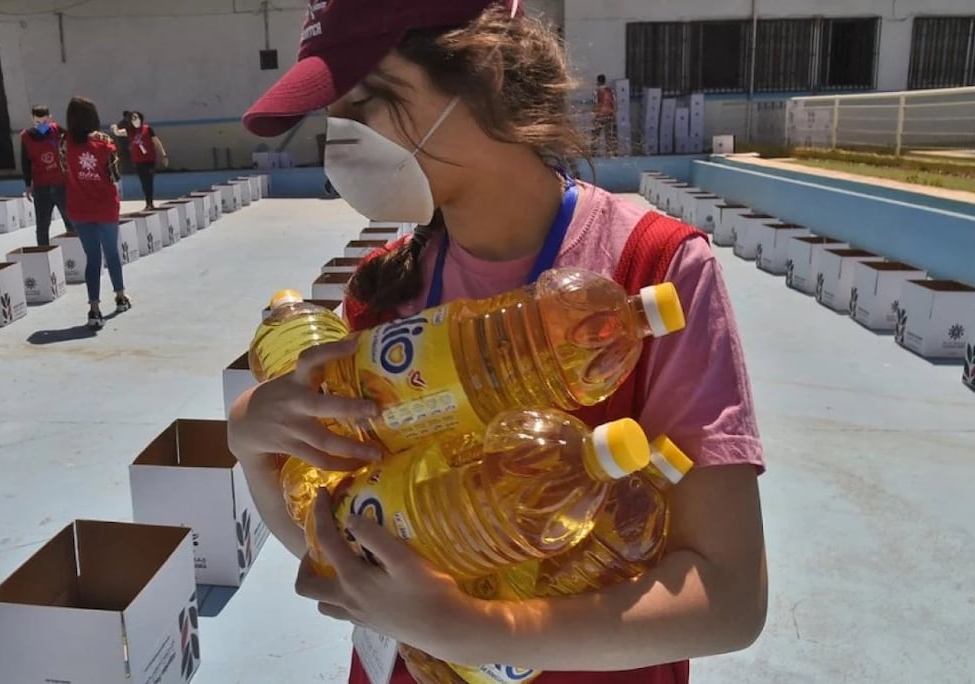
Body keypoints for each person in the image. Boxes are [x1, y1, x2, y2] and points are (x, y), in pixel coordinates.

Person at [231, 2, 767, 684]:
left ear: (481, 69)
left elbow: (729, 599)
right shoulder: (380, 293)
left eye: (365, 103)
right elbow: (344, 540)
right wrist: (252, 445)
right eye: (332, 118)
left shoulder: (650, 272)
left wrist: (485, 632)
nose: (340, 143)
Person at [62, 96, 131, 330]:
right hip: (105, 208)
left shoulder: (65, 142)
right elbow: (115, 176)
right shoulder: (105, 142)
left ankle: (94, 308)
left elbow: (64, 168)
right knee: (112, 253)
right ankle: (120, 296)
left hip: (79, 209)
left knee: (92, 258)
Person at [20, 104, 68, 246]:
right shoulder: (26, 136)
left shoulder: (57, 130)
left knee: (71, 221)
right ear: (32, 119)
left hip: (61, 184)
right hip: (41, 187)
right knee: (42, 226)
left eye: (45, 122)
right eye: (38, 122)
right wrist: (28, 184)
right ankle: (43, 252)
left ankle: (77, 251)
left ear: (50, 118)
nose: (42, 125)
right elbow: (25, 162)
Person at [110, 110, 168, 210]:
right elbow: (118, 133)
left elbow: (156, 143)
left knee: (149, 181)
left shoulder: (147, 129)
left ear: (140, 118)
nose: (134, 120)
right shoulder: (130, 131)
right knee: (143, 182)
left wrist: (163, 155)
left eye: (136, 117)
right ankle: (148, 202)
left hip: (149, 160)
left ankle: (150, 202)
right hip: (138, 161)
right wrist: (114, 128)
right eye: (132, 118)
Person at [593, 74, 618, 157]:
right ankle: (610, 152)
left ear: (598, 81)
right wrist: (614, 114)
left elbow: (596, 104)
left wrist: (594, 115)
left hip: (600, 116)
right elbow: (614, 103)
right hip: (609, 115)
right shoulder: (610, 91)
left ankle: (594, 152)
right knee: (608, 135)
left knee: (596, 134)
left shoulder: (597, 91)